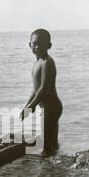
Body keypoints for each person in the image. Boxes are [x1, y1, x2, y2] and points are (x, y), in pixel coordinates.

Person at [20, 29, 63, 158]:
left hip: (52, 107)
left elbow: (44, 88)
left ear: (49, 46)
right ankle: (56, 164)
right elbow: (36, 89)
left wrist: (32, 106)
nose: (37, 46)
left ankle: (48, 170)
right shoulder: (37, 62)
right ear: (29, 45)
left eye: (41, 44)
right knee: (52, 142)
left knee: (46, 145)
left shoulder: (47, 62)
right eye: (34, 44)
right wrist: (27, 105)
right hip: (48, 108)